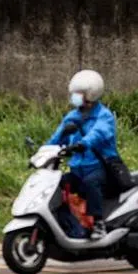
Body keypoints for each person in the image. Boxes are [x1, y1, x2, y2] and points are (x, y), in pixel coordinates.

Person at [48, 69, 119, 240]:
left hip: (100, 166)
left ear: (92, 94)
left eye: (80, 93)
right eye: (75, 93)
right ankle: (67, 224)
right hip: (77, 167)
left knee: (90, 183)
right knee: (57, 185)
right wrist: (45, 151)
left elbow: (97, 134)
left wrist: (82, 144)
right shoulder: (72, 116)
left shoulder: (104, 116)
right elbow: (58, 137)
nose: (75, 97)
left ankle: (98, 224)